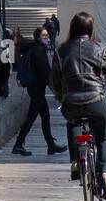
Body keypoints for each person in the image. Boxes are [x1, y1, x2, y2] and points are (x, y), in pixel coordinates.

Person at [51, 11, 106, 199]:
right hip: (95, 100)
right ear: (91, 29)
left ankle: (76, 161)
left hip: (71, 101)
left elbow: (54, 81)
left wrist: (61, 96)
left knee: (73, 123)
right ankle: (104, 173)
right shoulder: (100, 48)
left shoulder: (61, 51)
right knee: (104, 138)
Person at [11, 26, 68, 157]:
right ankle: (19, 144)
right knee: (31, 118)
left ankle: (50, 145)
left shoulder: (36, 48)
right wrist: (55, 90)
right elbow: (45, 73)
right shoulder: (38, 51)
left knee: (45, 117)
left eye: (47, 35)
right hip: (36, 89)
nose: (46, 38)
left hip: (36, 89)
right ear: (37, 37)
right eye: (43, 36)